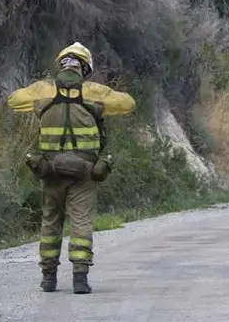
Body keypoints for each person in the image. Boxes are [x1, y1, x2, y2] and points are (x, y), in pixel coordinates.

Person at [7, 42, 135, 294]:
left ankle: (48, 278)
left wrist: (41, 100)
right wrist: (100, 103)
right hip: (85, 172)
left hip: (50, 171)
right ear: (84, 68)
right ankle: (80, 278)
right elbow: (128, 103)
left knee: (50, 223)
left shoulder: (42, 90)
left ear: (61, 64)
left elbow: (13, 100)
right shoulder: (95, 92)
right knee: (81, 223)